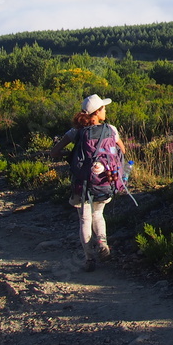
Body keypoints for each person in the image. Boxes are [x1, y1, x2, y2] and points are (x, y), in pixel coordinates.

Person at [50, 94, 128, 272]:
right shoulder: (111, 130)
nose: (106, 110)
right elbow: (122, 151)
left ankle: (89, 259)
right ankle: (102, 242)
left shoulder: (76, 132)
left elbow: (54, 152)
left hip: (82, 184)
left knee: (84, 219)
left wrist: (71, 156)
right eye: (103, 108)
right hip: (104, 181)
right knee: (98, 215)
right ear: (97, 112)